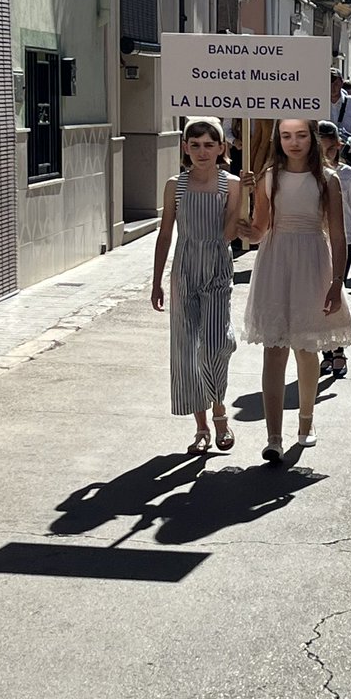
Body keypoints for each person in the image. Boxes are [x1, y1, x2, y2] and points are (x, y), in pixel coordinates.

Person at [239, 118, 351, 462]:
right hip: (275, 260)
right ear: (279, 138)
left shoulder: (328, 180)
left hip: (312, 261)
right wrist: (242, 212)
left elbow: (337, 235)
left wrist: (337, 282)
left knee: (306, 348)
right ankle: (273, 436)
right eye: (287, 136)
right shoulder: (269, 176)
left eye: (301, 136)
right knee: (274, 349)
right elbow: (258, 230)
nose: (294, 142)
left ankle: (306, 423)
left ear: (313, 139)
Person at [151, 120, 241, 454]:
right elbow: (165, 234)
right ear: (185, 147)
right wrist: (157, 280)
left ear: (221, 148)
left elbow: (231, 234)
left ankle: (220, 408)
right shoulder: (175, 184)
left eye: (209, 144)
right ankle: (202, 426)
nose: (202, 151)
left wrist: (244, 196)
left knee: (216, 343)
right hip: (185, 270)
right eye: (195, 144)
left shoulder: (230, 184)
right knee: (187, 349)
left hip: (217, 268)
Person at [317, 120, 351, 376]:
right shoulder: (309, 176)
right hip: (315, 244)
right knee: (317, 299)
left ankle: (338, 349)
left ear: (338, 146)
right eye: (320, 151)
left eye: (330, 150)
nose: (326, 156)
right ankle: (327, 350)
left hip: (342, 244)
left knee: (336, 295)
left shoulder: (347, 175)